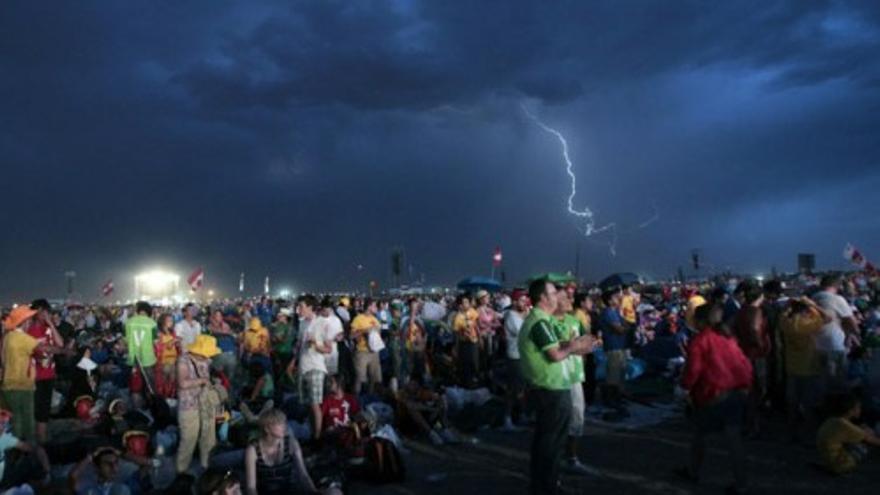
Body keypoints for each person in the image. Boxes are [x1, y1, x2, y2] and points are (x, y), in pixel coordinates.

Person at [518, 279, 595, 495]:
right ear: (543, 298)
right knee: (551, 443)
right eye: (553, 293)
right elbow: (555, 355)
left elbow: (554, 348)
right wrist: (574, 345)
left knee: (546, 441)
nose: (557, 297)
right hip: (550, 389)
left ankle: (544, 484)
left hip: (548, 388)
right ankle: (547, 486)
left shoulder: (541, 320)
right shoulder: (539, 322)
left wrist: (573, 346)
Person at [677, 304, 753, 495]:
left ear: (700, 321)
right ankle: (742, 482)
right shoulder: (728, 337)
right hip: (736, 391)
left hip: (713, 394)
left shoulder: (700, 340)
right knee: (734, 440)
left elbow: (693, 370)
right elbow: (744, 363)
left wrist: (684, 388)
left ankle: (693, 471)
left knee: (699, 435)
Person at [244, 408, 340, 495]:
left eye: (284, 422)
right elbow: (251, 487)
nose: (284, 426)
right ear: (267, 428)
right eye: (279, 423)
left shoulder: (291, 443)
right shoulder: (253, 449)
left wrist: (314, 492)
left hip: (290, 490)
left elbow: (302, 474)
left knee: (335, 492)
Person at [780, 296, 829, 441]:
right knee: (809, 404)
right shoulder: (809, 324)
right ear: (805, 311)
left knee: (792, 403)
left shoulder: (785, 323)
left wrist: (789, 306)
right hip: (809, 368)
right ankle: (810, 433)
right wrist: (812, 304)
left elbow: (783, 313)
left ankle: (791, 432)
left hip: (791, 368)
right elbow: (827, 317)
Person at [553, 290, 591, 475]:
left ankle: (571, 457)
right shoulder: (549, 322)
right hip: (559, 376)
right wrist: (572, 346)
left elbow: (585, 344)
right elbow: (553, 349)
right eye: (565, 298)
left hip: (575, 374)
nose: (570, 300)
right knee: (559, 419)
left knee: (577, 416)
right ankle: (556, 458)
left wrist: (574, 346)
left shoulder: (574, 321)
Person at [175, 335, 221, 473]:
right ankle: (181, 472)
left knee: (208, 437)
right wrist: (201, 381)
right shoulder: (183, 361)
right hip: (188, 406)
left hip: (205, 403)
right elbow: (182, 383)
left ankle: (206, 468)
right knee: (189, 439)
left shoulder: (206, 360)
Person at [27, 298, 68, 444]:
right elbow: (30, 351)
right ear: (35, 312)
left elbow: (60, 343)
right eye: (41, 311)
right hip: (35, 377)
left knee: (44, 410)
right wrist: (41, 355)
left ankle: (41, 442)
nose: (44, 314)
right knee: (39, 412)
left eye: (46, 311)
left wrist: (51, 323)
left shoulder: (48, 329)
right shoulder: (29, 330)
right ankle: (40, 444)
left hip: (49, 375)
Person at [291, 295, 331, 439]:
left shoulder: (321, 323)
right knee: (307, 405)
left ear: (310, 307)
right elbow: (300, 346)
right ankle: (312, 432)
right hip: (303, 367)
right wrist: (293, 362)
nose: (298, 310)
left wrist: (315, 344)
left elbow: (328, 349)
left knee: (315, 405)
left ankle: (318, 438)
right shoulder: (302, 324)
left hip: (316, 367)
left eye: (301, 307)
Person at [733, 281, 770, 436]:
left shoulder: (741, 311)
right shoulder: (755, 311)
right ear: (760, 296)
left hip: (745, 354)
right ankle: (755, 427)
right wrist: (760, 344)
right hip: (756, 355)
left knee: (749, 392)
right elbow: (755, 329)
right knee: (757, 391)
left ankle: (750, 425)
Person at [2, 305, 44, 441]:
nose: (31, 322)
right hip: (20, 386)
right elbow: (41, 348)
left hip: (9, 384)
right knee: (22, 423)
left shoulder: (8, 337)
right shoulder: (19, 338)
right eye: (30, 320)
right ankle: (20, 450)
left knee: (15, 420)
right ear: (24, 322)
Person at [812, 275, 858, 395]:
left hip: (815, 345)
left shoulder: (813, 299)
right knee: (838, 379)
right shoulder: (837, 299)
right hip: (834, 345)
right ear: (836, 286)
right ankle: (838, 407)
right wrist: (856, 335)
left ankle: (822, 405)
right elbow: (850, 320)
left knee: (822, 380)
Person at [816, 391, 880, 475]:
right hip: (841, 465)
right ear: (850, 411)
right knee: (866, 442)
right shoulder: (846, 426)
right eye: (858, 408)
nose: (860, 410)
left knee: (864, 432)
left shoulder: (832, 420)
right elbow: (873, 441)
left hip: (828, 459)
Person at [0, 409, 51, 491]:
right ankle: (44, 480)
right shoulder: (4, 438)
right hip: (4, 482)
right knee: (30, 459)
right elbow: (28, 448)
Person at [502, 289, 529, 430]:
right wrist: (526, 317)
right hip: (514, 356)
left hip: (523, 355)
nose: (525, 303)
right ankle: (507, 418)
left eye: (525, 300)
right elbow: (523, 333)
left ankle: (522, 414)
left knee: (521, 388)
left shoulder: (522, 314)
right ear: (514, 302)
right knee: (513, 389)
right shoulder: (511, 316)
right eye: (522, 300)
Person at [599, 290, 628, 411]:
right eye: (615, 297)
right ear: (609, 301)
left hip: (619, 346)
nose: (618, 298)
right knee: (613, 376)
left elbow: (625, 324)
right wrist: (626, 328)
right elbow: (620, 329)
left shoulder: (615, 312)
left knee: (620, 374)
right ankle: (610, 400)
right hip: (613, 347)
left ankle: (617, 398)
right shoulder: (608, 313)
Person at [350, 299, 384, 394]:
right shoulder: (358, 319)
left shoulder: (375, 319)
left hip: (374, 352)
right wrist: (364, 331)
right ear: (369, 307)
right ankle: (357, 400)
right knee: (360, 379)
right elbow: (351, 335)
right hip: (362, 352)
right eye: (374, 306)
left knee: (374, 378)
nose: (376, 308)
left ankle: (370, 398)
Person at [452, 295, 480, 387]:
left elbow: (476, 325)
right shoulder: (457, 318)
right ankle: (467, 383)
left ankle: (475, 379)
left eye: (468, 302)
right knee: (466, 363)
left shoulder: (473, 312)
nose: (467, 304)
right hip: (464, 343)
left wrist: (480, 338)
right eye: (465, 302)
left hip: (474, 341)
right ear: (460, 305)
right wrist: (456, 347)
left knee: (475, 361)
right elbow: (456, 334)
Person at [401, 298, 427, 385]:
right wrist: (412, 314)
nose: (416, 307)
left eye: (416, 305)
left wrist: (423, 341)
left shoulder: (420, 317)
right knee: (409, 372)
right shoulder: (404, 318)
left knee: (420, 371)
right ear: (409, 307)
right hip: (409, 348)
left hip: (420, 349)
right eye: (413, 306)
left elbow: (423, 332)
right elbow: (405, 333)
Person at [155, 313, 180, 398]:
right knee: (163, 382)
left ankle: (170, 398)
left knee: (172, 382)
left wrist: (177, 343)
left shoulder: (172, 332)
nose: (171, 322)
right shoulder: (159, 334)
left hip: (173, 361)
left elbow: (174, 347)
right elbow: (159, 347)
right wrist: (173, 342)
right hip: (163, 362)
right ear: (163, 322)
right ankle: (163, 399)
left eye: (172, 321)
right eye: (168, 320)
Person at [208, 309, 238, 380]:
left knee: (228, 377)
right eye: (216, 316)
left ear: (222, 317)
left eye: (219, 315)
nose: (217, 317)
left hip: (229, 353)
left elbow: (229, 334)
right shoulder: (210, 326)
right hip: (219, 354)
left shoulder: (225, 326)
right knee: (219, 377)